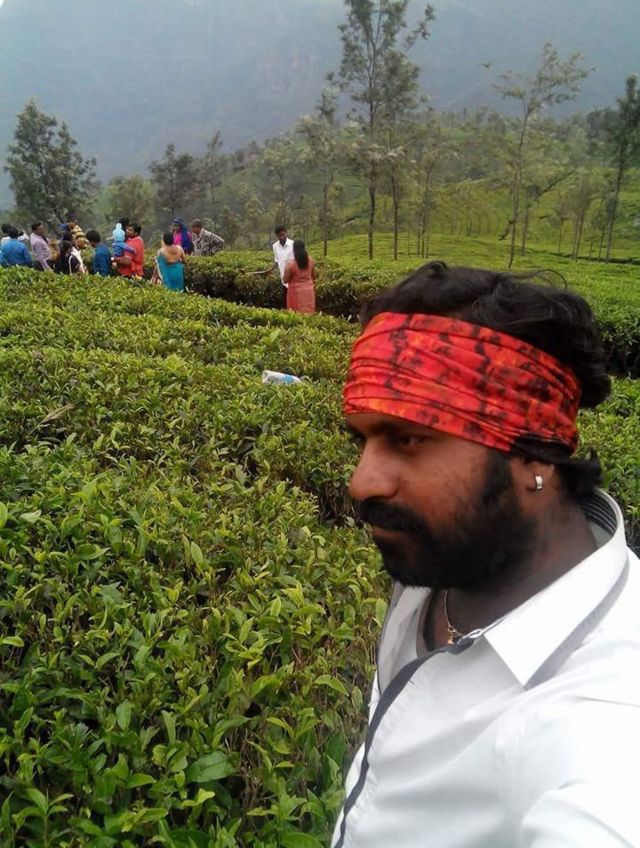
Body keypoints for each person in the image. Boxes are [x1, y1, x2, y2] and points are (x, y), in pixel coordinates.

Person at [333, 261, 640, 848]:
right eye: (363, 440)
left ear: (536, 456)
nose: (362, 481)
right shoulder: (454, 553)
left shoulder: (607, 721)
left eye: (410, 438)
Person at [283, 238, 316, 314]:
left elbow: (285, 280)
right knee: (309, 312)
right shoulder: (311, 260)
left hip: (295, 292)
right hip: (309, 290)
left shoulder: (290, 264)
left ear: (294, 249)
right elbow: (314, 276)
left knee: (296, 313)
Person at [269, 225, 294, 308]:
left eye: (283, 235)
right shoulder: (275, 246)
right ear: (277, 236)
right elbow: (277, 260)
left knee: (294, 301)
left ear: (286, 233)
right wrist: (271, 269)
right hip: (283, 278)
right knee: (286, 302)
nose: (282, 237)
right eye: (280, 236)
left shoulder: (293, 244)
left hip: (293, 278)